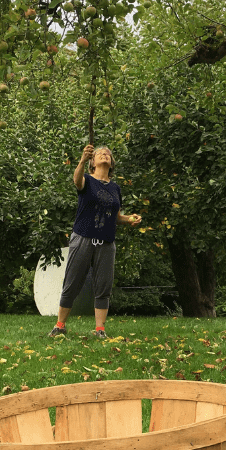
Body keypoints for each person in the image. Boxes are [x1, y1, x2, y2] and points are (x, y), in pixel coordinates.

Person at [49, 143, 141, 338]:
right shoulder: (87, 180)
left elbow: (116, 217)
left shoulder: (115, 188)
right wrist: (81, 159)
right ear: (92, 163)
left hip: (106, 243)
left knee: (103, 286)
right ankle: (60, 326)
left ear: (112, 162)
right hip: (83, 238)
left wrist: (129, 219)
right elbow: (76, 181)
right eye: (100, 153)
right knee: (72, 283)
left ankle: (100, 330)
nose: (104, 155)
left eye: (108, 153)